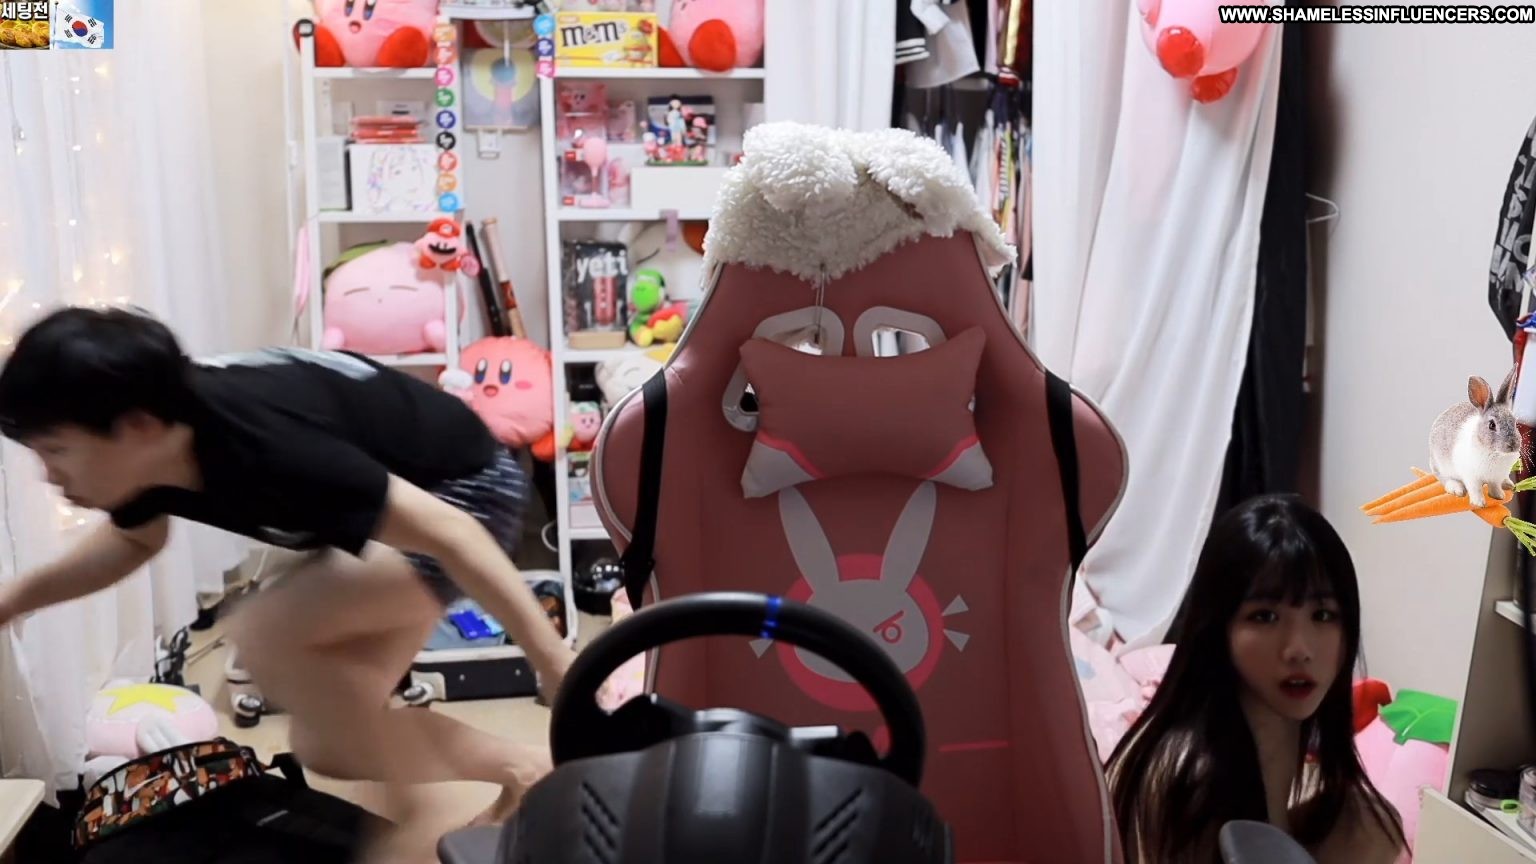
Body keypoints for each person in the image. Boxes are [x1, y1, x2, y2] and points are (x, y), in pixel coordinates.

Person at [0, 306, 574, 858]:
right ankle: (527, 770)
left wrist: (554, 665)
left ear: (137, 427)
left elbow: (454, 533)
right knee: (333, 744)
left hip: (466, 492)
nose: (49, 476)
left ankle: (413, 829)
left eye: (56, 450)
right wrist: (13, 600)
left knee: (267, 634)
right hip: (398, 519)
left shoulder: (261, 441)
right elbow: (133, 542)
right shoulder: (152, 450)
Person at [1105, 494, 1406, 864]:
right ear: (1218, 626)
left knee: (1373, 824)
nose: (1299, 649)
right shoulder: (1193, 777)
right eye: (1265, 617)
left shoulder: (1271, 726)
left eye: (1323, 615)